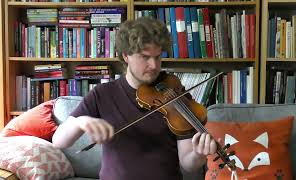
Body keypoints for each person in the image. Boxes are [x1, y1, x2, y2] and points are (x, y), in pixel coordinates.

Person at [52, 17, 217, 180]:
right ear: (126, 56)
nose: (154, 65)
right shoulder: (102, 94)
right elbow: (59, 141)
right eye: (145, 57)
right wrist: (80, 121)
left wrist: (198, 153)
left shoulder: (174, 94)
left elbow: (188, 163)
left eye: (158, 57)